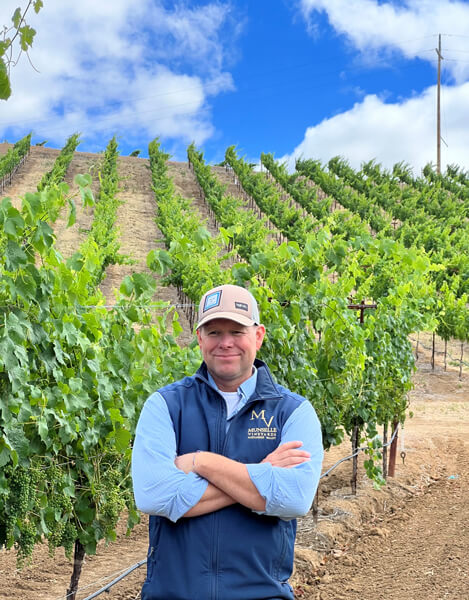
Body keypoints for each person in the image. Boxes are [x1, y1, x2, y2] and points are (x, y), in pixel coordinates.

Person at [132, 284, 324, 600]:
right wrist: (261, 475)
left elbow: (293, 499)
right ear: (199, 338)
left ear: (259, 336)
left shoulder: (293, 412)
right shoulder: (165, 405)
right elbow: (155, 496)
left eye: (237, 331)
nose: (225, 343)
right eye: (214, 332)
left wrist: (202, 462)